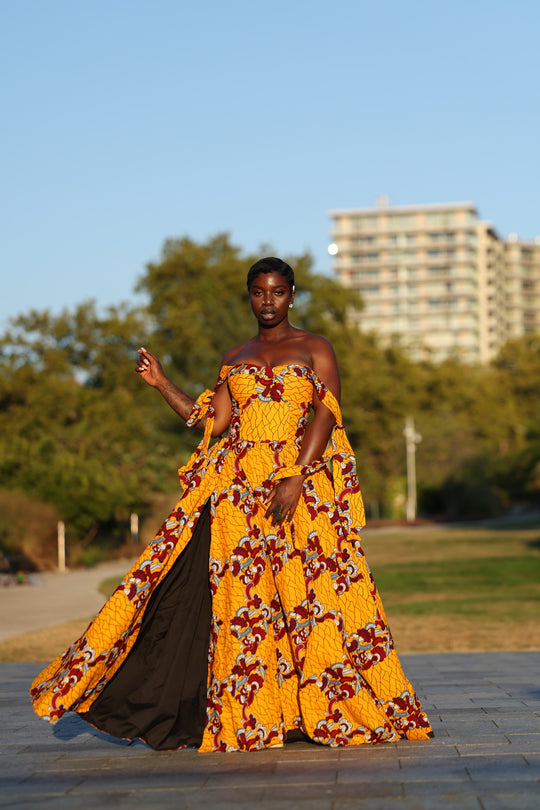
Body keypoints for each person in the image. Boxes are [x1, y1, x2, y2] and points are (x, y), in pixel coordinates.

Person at [31, 257, 433, 752]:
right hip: (239, 493)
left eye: (278, 292)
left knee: (317, 597)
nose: (269, 301)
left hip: (301, 487)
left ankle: (335, 705)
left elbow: (327, 413)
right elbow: (214, 420)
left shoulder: (314, 347)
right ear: (249, 295)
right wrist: (161, 383)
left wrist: (294, 475)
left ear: (292, 294)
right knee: (247, 603)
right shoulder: (235, 354)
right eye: (259, 292)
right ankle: (258, 713)